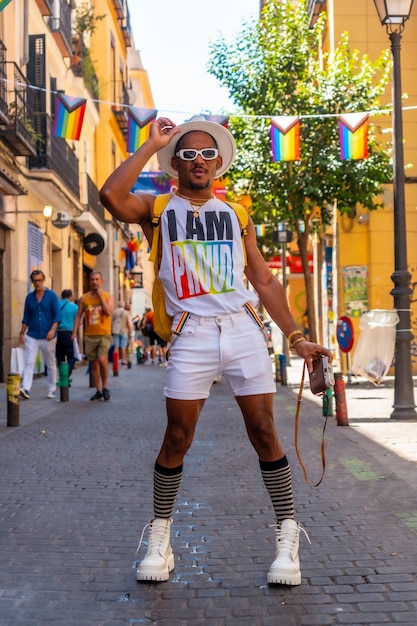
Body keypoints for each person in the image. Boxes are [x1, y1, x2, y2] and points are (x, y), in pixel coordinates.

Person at [100, 115, 332, 586]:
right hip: (192, 332)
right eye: (187, 154)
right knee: (177, 436)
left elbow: (264, 280)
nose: (198, 159)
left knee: (264, 431)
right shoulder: (158, 209)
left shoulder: (237, 214)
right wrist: (151, 146)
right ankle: (160, 540)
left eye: (207, 153)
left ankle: (287, 537)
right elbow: (111, 196)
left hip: (244, 330)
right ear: (175, 165)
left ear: (219, 162)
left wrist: (296, 337)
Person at [71, 271, 114, 401]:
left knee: (102, 359)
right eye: (92, 279)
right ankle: (99, 390)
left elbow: (108, 312)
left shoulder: (108, 296)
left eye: (97, 279)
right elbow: (79, 315)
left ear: (101, 281)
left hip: (104, 334)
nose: (94, 282)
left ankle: (105, 387)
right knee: (93, 364)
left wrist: (100, 296)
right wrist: (74, 332)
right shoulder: (84, 298)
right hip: (89, 335)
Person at [19, 269, 61, 400]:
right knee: (28, 362)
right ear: (32, 282)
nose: (37, 283)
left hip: (48, 336)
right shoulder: (29, 298)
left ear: (43, 280)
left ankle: (52, 389)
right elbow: (26, 317)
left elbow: (58, 315)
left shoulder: (52, 296)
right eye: (35, 281)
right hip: (32, 335)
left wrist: (52, 330)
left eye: (40, 280)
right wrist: (21, 333)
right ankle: (26, 388)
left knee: (50, 363)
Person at [56, 289, 79, 376]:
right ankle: (66, 375)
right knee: (72, 356)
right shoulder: (74, 307)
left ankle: (62, 377)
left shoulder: (56, 305)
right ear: (70, 297)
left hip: (57, 333)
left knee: (60, 356)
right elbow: (79, 321)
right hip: (69, 333)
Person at [111, 300, 132, 365]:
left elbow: (111, 322)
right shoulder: (126, 313)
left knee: (116, 347)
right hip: (124, 331)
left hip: (115, 331)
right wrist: (130, 332)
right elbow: (129, 324)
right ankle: (123, 360)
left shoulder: (114, 312)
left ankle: (115, 360)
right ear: (123, 305)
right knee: (123, 346)